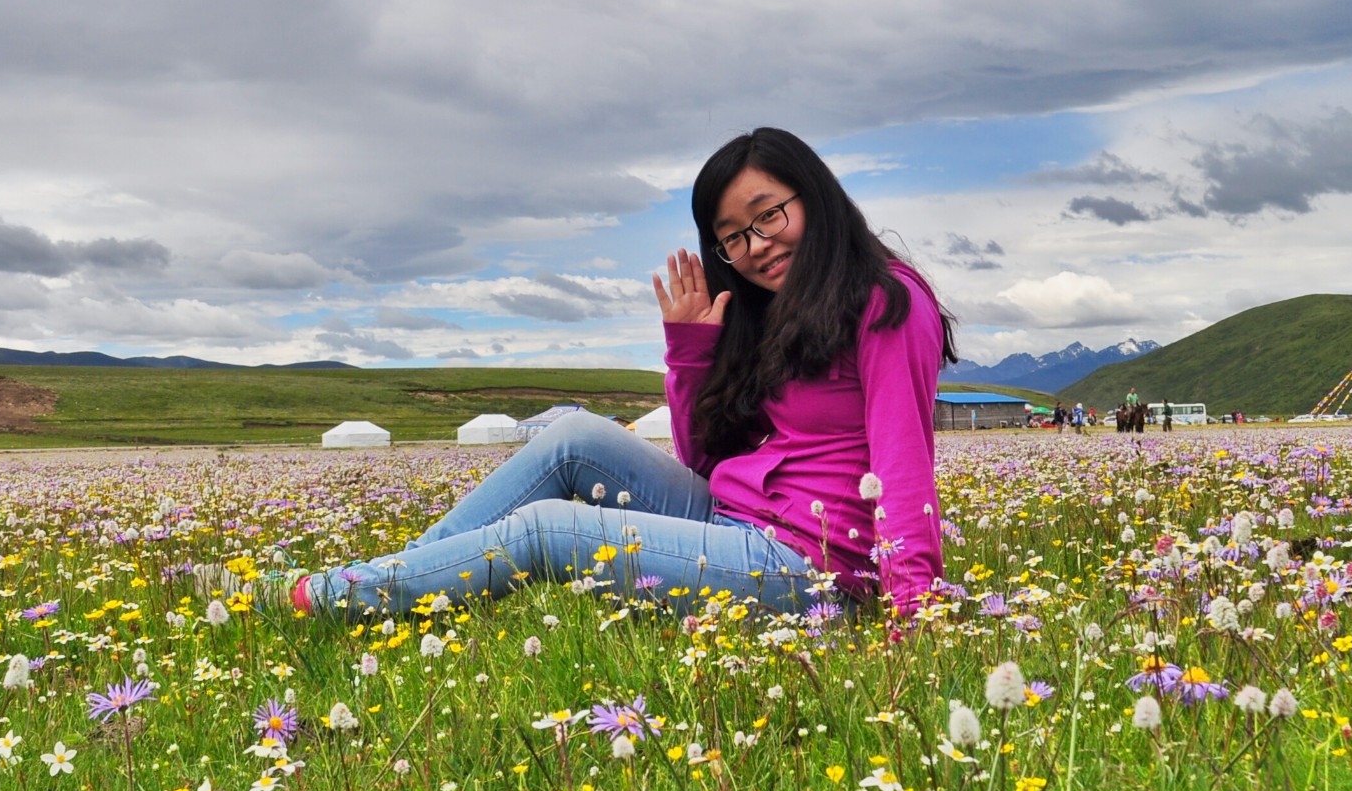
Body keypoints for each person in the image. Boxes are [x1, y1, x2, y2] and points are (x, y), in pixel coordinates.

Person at [194, 127, 957, 622]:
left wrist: (914, 610)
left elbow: (904, 465)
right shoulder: (785, 312)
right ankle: (377, 588)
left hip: (813, 570)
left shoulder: (886, 303)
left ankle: (333, 599)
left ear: (814, 198)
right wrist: (691, 350)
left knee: (548, 534)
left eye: (768, 216)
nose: (755, 246)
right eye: (732, 238)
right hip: (739, 525)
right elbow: (701, 461)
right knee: (575, 438)